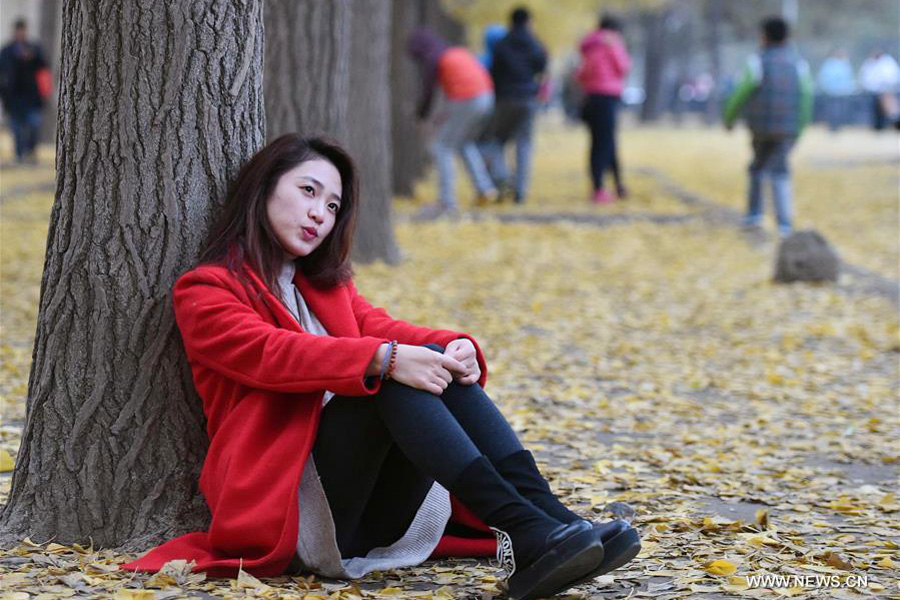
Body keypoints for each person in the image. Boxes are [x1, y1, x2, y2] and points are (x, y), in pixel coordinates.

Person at [119, 135, 641, 600]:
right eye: (307, 191)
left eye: (332, 204)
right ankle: (524, 529)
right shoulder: (207, 290)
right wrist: (382, 358)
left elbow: (381, 326)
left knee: (432, 370)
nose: (320, 213)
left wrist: (451, 346)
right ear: (263, 188)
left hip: (369, 503)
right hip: (288, 506)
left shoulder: (323, 287)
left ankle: (551, 520)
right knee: (391, 378)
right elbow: (270, 353)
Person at [723, 16, 813, 238]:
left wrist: (729, 118)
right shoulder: (799, 65)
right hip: (786, 130)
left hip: (760, 127)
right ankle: (784, 223)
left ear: (763, 37)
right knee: (780, 171)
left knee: (757, 167)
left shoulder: (756, 63)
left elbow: (740, 93)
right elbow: (806, 97)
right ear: (787, 38)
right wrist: (799, 128)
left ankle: (754, 214)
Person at [407, 28, 498, 219]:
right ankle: (485, 189)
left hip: (468, 99)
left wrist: (421, 115)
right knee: (463, 143)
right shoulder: (456, 52)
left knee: (441, 147)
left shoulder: (434, 59)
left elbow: (429, 93)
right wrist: (445, 115)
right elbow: (456, 86)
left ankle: (447, 201)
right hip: (486, 98)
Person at [479, 7, 548, 204]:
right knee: (524, 144)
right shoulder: (534, 43)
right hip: (527, 98)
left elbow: (494, 72)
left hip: (505, 99)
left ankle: (502, 178)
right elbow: (542, 67)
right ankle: (520, 190)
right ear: (528, 21)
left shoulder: (502, 43)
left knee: (496, 141)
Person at [576, 13, 631, 205]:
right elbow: (623, 68)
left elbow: (581, 74)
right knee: (606, 143)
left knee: (601, 143)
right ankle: (600, 189)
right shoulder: (612, 44)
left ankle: (615, 184)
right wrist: (615, 47)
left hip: (591, 98)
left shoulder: (590, 48)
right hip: (607, 98)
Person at [0, 19, 47, 164]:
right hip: (13, 96)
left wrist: (32, 57)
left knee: (34, 124)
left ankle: (31, 151)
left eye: (23, 30)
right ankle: (20, 155)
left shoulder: (34, 48)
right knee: (17, 128)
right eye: (18, 30)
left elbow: (44, 66)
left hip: (32, 95)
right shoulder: (6, 51)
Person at [858, 49, 900, 130]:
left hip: (887, 89)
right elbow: (865, 80)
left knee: (886, 95)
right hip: (872, 91)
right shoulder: (868, 64)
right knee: (885, 96)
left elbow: (893, 78)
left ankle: (894, 115)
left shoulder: (888, 63)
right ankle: (894, 116)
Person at [816, 49, 855, 131]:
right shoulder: (829, 64)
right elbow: (824, 77)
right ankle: (832, 126)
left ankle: (838, 126)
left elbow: (848, 79)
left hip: (841, 92)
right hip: (831, 92)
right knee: (832, 110)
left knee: (839, 111)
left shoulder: (845, 64)